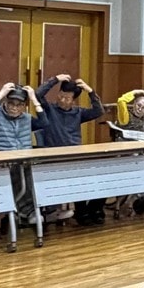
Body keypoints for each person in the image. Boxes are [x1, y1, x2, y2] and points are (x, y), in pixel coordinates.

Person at [36, 74, 105, 224]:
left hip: (75, 156)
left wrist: (90, 91)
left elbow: (99, 111)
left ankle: (94, 209)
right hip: (54, 157)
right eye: (60, 96)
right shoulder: (49, 109)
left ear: (74, 100)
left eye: (67, 98)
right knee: (76, 176)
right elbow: (38, 94)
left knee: (102, 175)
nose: (62, 100)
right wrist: (55, 79)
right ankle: (81, 212)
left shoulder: (78, 113)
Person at [0, 83, 46, 227]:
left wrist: (34, 99)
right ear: (5, 101)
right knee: (20, 171)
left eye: (19, 105)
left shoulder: (26, 118)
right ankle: (28, 211)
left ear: (24, 106)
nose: (14, 108)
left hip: (21, 161)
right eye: (11, 103)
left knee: (34, 170)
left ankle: (34, 210)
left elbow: (44, 123)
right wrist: (2, 92)